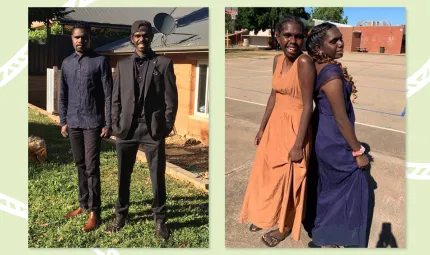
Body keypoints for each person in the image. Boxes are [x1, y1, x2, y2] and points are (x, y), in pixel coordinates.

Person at [239, 16, 316, 247]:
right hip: (275, 127)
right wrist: (262, 128)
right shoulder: (277, 60)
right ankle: (266, 214)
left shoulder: (304, 63)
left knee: (289, 180)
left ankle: (283, 227)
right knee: (268, 176)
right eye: (288, 35)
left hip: (295, 129)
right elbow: (274, 95)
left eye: (298, 36)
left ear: (304, 38)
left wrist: (297, 144)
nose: (293, 40)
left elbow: (307, 106)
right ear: (277, 37)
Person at [107, 20, 178, 240]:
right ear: (131, 38)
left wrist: (165, 127)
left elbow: (171, 100)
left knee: (157, 176)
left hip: (152, 129)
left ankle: (160, 220)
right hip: (126, 129)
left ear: (151, 38)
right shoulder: (123, 65)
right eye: (137, 35)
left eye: (145, 35)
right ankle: (121, 215)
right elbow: (116, 98)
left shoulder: (163, 64)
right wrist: (116, 123)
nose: (141, 39)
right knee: (123, 175)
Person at [306, 22, 370, 248]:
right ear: (318, 47)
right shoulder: (331, 75)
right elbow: (341, 120)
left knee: (329, 186)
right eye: (334, 41)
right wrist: (358, 151)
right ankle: (328, 235)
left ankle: (322, 230)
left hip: (322, 134)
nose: (341, 43)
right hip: (334, 139)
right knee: (354, 182)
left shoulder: (317, 66)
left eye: (340, 38)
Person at [59, 21, 112, 232]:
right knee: (79, 163)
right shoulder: (66, 63)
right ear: (72, 39)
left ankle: (94, 211)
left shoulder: (100, 62)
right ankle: (83, 204)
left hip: (92, 122)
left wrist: (108, 123)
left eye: (84, 37)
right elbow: (63, 94)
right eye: (76, 37)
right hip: (73, 122)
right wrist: (63, 120)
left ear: (90, 38)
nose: (80, 40)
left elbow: (109, 94)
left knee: (91, 167)